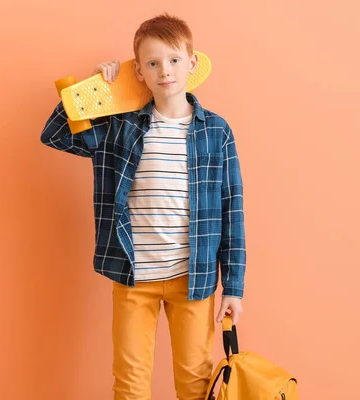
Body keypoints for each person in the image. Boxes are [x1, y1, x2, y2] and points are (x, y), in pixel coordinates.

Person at [40, 13, 246, 400]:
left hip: (193, 278)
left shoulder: (216, 131)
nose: (164, 71)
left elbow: (231, 208)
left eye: (172, 60)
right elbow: (54, 135)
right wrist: (93, 90)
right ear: (139, 71)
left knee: (196, 381)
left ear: (191, 63)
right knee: (130, 382)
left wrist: (233, 285)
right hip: (135, 275)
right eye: (152, 63)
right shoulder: (121, 126)